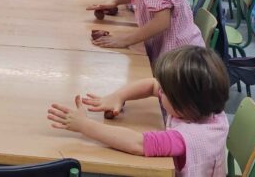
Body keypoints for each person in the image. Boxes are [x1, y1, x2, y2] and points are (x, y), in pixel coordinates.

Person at [48, 46, 230, 177]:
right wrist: (118, 96)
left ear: (184, 104)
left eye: (165, 92)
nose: (160, 92)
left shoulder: (186, 138)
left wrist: (84, 125)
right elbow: (152, 85)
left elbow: (138, 144)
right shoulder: (205, 107)